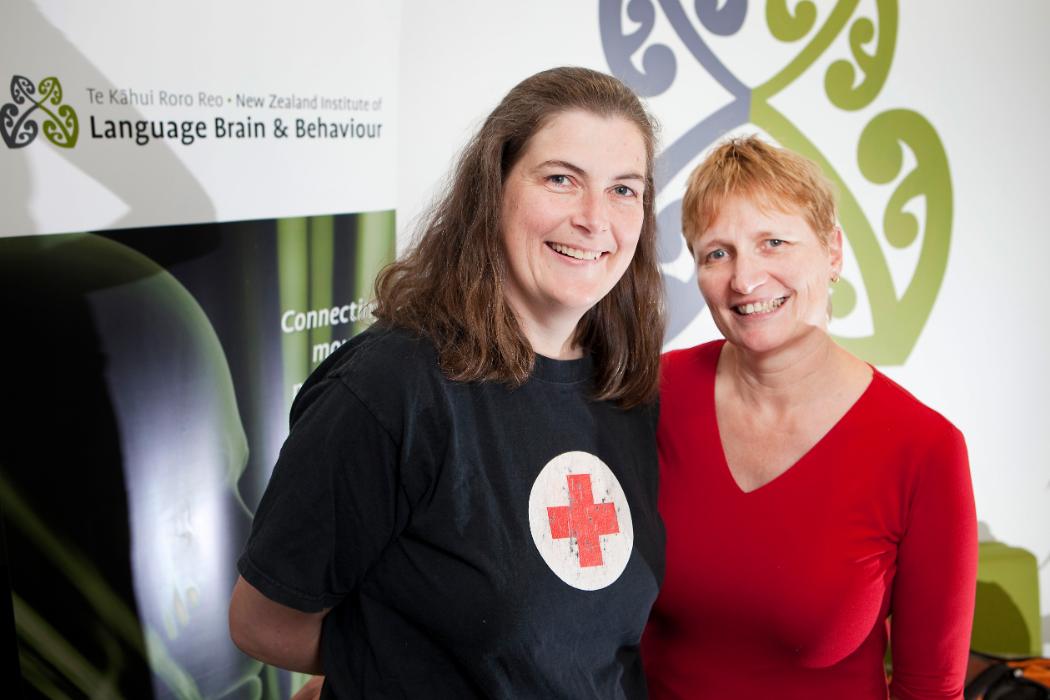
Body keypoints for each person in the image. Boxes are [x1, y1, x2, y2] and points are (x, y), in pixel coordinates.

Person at [228, 66, 667, 699]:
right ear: (493, 188)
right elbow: (261, 623)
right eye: (561, 179)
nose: (595, 219)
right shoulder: (389, 389)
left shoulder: (624, 386)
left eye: (624, 189)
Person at [642, 136, 977, 699]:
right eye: (717, 253)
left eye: (773, 243)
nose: (745, 280)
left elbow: (930, 690)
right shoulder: (653, 395)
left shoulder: (924, 448)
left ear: (833, 252)